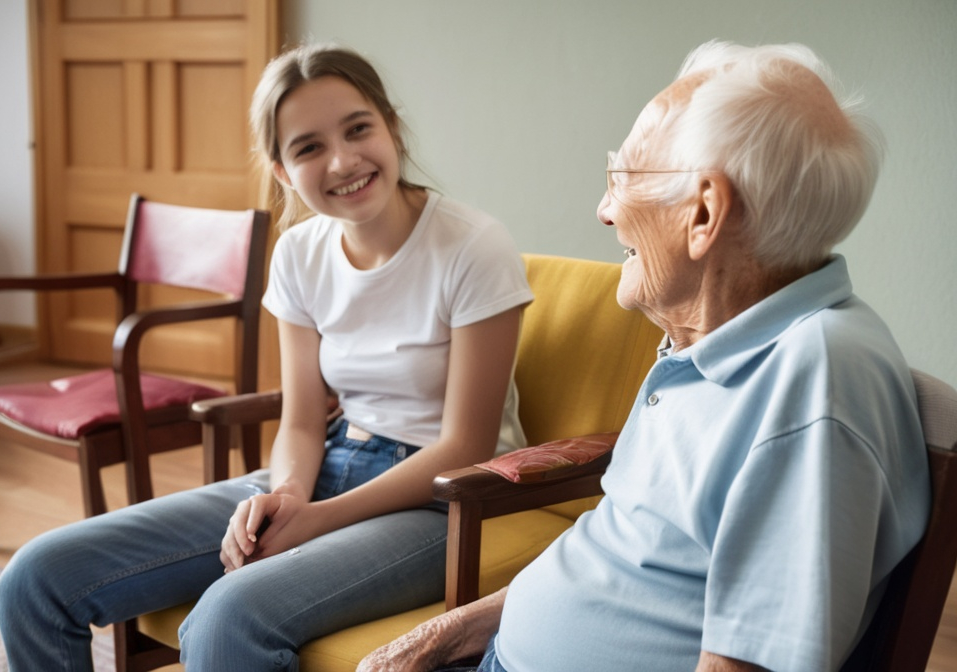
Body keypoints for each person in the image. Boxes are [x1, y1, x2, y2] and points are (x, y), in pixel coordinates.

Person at [359, 40, 930, 672]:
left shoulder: (811, 383)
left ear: (704, 213)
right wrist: (446, 635)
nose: (605, 211)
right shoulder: (712, 347)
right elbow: (622, 552)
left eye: (624, 175)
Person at [0, 43, 533, 671]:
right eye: (308, 147)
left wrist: (317, 518)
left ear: (391, 125)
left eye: (358, 128)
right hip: (334, 463)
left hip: (446, 500)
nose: (342, 160)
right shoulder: (299, 254)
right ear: (282, 171)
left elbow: (466, 444)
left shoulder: (473, 247)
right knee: (34, 580)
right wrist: (286, 496)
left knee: (227, 619)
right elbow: (304, 420)